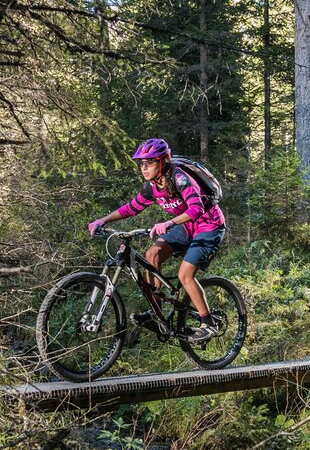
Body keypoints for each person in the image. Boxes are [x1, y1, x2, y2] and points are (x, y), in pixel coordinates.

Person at [87, 138, 227, 342]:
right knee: (152, 254)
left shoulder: (179, 179)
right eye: (141, 163)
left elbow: (196, 209)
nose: (144, 168)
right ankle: (157, 314)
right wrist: (102, 220)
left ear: (163, 162)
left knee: (185, 274)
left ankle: (209, 322)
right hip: (185, 227)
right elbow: (131, 208)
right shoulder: (152, 187)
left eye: (149, 163)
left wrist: (169, 223)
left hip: (209, 226)